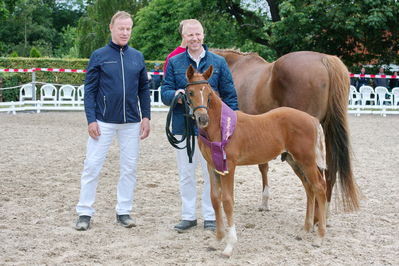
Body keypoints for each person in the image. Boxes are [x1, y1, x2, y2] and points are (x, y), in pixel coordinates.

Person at [74, 11, 151, 231]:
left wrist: (146, 116)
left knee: (129, 168)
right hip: (104, 122)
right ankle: (84, 212)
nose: (125, 32)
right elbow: (90, 91)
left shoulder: (138, 56)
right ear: (112, 28)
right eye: (121, 28)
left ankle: (123, 211)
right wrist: (91, 119)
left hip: (132, 122)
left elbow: (144, 90)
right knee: (92, 166)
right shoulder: (98, 55)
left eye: (128, 28)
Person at [161, 19, 238, 232]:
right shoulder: (175, 62)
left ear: (203, 35)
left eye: (198, 34)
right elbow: (164, 92)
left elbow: (230, 95)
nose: (194, 38)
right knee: (186, 172)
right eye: (189, 35)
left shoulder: (218, 62)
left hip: (212, 130)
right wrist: (175, 95)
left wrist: (230, 125)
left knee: (211, 172)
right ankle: (188, 215)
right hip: (183, 126)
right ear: (183, 37)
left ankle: (210, 215)